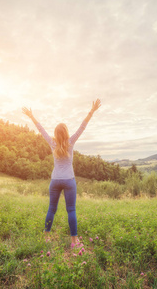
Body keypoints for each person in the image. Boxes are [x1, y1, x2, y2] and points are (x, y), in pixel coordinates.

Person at [22, 99, 101, 246]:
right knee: (71, 210)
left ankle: (46, 237)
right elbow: (82, 127)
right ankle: (74, 241)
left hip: (55, 181)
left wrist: (31, 116)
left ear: (56, 134)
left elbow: (41, 130)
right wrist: (92, 111)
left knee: (52, 209)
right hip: (69, 180)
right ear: (66, 133)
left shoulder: (52, 144)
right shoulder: (71, 142)